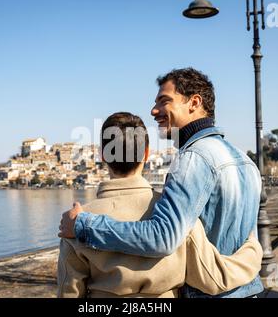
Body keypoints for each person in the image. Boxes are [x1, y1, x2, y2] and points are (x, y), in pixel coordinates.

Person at [59, 68, 264, 298]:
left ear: (194, 102)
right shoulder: (246, 162)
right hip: (248, 291)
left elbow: (163, 238)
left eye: (164, 101)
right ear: (146, 154)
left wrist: (83, 226)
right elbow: (248, 238)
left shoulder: (192, 160)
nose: (154, 110)